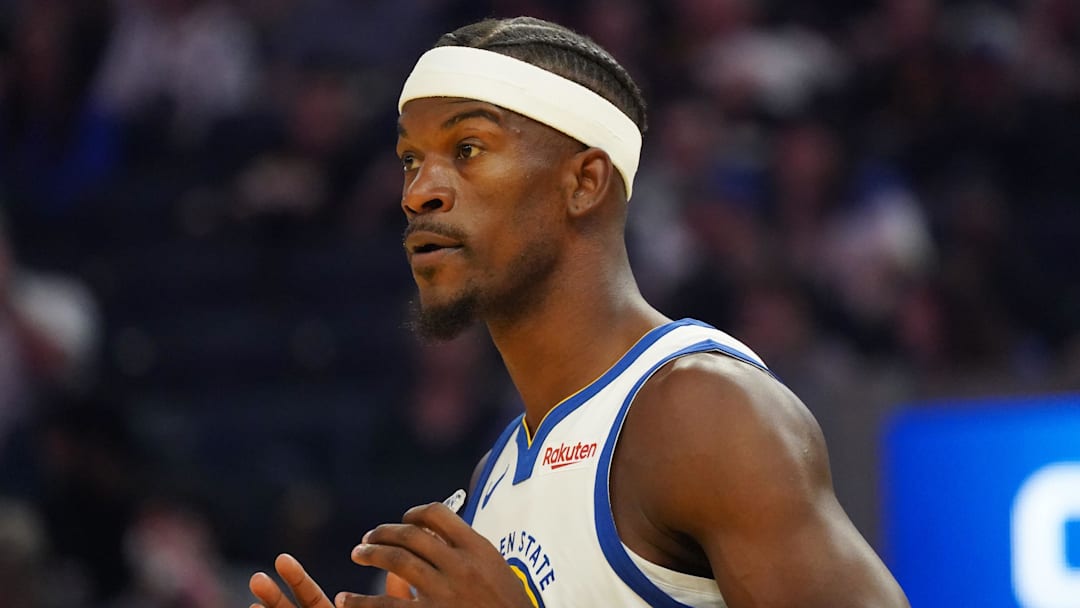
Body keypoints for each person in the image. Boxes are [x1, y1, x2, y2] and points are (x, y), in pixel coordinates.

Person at [249, 16, 910, 608]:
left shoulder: (704, 413)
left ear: (584, 182)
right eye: (410, 160)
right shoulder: (498, 472)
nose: (419, 192)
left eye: (468, 150)